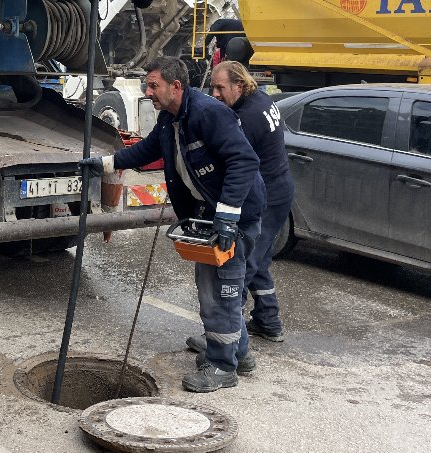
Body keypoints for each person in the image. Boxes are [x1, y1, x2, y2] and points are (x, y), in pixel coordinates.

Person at [80, 56, 266, 393]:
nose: (147, 91)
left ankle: (223, 366)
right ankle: (237, 351)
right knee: (224, 284)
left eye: (153, 86)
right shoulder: (171, 118)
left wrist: (226, 214)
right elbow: (148, 150)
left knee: (219, 288)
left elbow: (244, 160)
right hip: (211, 213)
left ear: (175, 86)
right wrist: (105, 163)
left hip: (234, 215)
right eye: (147, 85)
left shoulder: (208, 113)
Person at [184, 61, 294, 354]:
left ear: (240, 86)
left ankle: (227, 341)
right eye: (213, 87)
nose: (215, 94)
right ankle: (268, 321)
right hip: (278, 188)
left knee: (238, 269)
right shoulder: (260, 98)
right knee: (258, 258)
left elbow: (229, 157)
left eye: (221, 88)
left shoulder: (247, 117)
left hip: (267, 195)